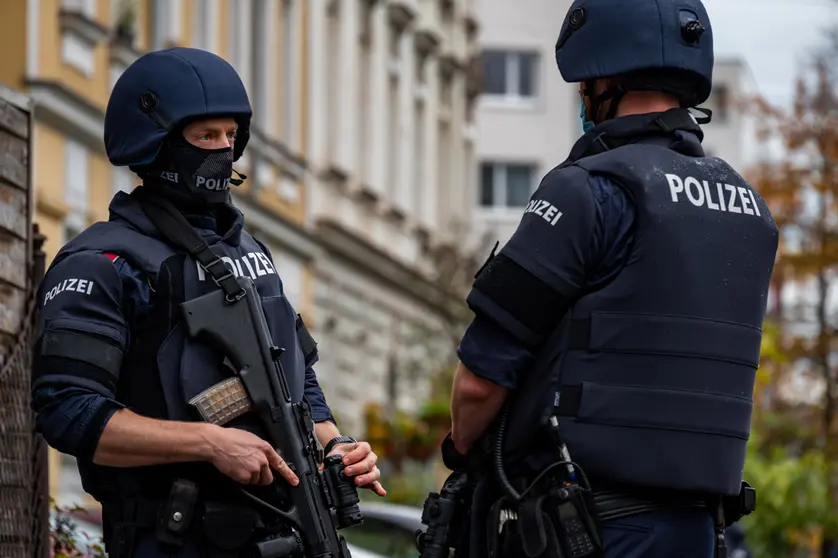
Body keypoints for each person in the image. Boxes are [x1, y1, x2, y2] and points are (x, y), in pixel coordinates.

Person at [446, 0, 778, 557]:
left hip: (583, 528)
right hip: (701, 533)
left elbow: (480, 380)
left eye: (582, 87)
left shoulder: (587, 191)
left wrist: (461, 448)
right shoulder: (752, 212)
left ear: (604, 80)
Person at [31, 47, 385, 558]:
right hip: (170, 538)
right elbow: (68, 412)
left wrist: (336, 447)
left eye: (231, 137)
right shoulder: (102, 260)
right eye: (205, 137)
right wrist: (209, 443)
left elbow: (296, 381)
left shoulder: (252, 254)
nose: (223, 151)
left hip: (283, 532)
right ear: (158, 144)